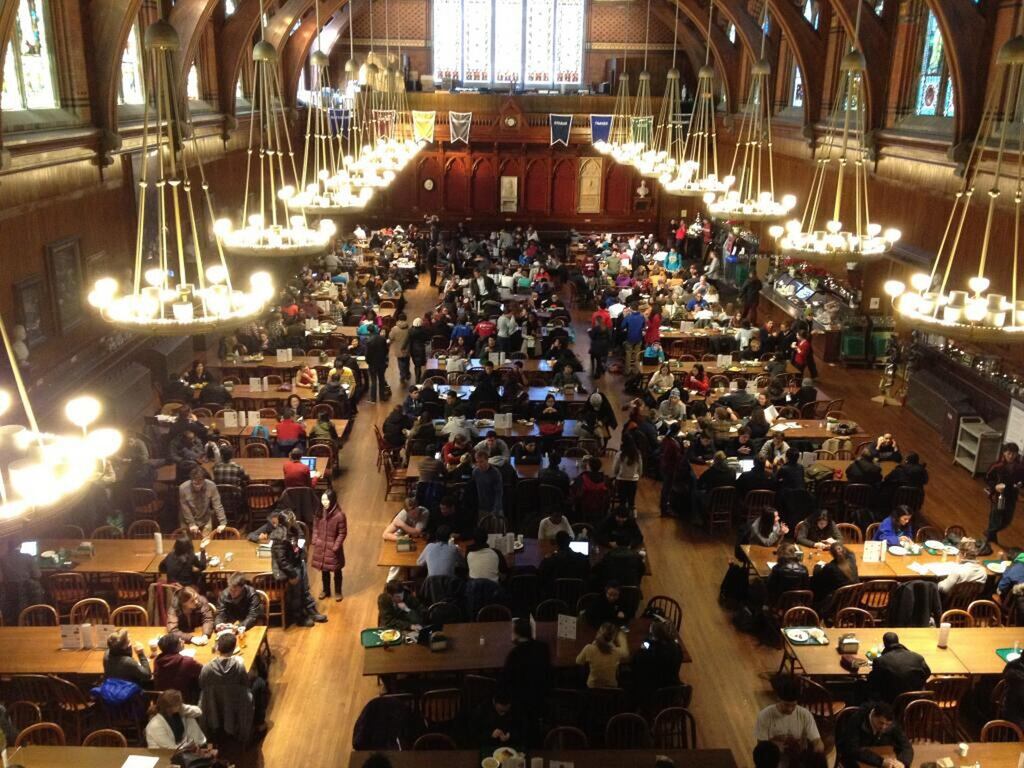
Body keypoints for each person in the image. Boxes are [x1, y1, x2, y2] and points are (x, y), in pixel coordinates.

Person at [199, 632, 268, 742]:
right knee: (260, 683)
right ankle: (260, 723)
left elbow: (202, 685)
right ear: (233, 649)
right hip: (236, 700)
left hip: (214, 701)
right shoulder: (238, 667)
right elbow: (246, 684)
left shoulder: (206, 668)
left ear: (218, 648)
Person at [754, 675, 824, 760]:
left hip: (798, 760)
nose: (790, 709)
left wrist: (818, 748)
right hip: (774, 760)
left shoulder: (805, 714)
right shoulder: (765, 715)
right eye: (786, 705)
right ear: (778, 699)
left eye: (793, 705)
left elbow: (817, 740)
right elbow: (761, 746)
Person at [835, 703, 913, 768]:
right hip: (853, 757)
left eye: (887, 724)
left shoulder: (891, 721)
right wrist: (882, 762)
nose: (884, 727)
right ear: (873, 715)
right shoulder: (857, 719)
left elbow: (906, 745)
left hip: (879, 754)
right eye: (881, 723)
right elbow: (853, 749)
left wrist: (902, 763)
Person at [498, 617, 552, 711]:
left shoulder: (514, 654)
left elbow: (505, 680)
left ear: (517, 634)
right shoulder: (543, 647)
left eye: (512, 632)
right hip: (542, 694)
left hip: (521, 700)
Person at [312, 470, 347, 601]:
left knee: (337, 570)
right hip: (321, 546)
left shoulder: (339, 516)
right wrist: (315, 539)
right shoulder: (319, 512)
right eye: (322, 500)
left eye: (326, 500)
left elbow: (342, 533)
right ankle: (326, 590)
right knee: (324, 570)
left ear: (332, 500)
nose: (324, 503)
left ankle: (338, 591)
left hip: (333, 548)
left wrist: (336, 546)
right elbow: (315, 526)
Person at [866, 632, 931, 701]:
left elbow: (873, 682)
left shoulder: (880, 661)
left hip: (892, 701)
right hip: (916, 700)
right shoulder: (918, 657)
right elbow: (928, 673)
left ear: (884, 644)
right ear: (897, 641)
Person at [982, 442, 1023, 553]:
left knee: (1007, 520)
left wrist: (1019, 485)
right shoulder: (997, 466)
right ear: (1004, 453)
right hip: (998, 496)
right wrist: (995, 486)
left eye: (1013, 454)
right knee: (995, 517)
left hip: (1011, 496)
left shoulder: (1020, 468)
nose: (1011, 456)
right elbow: (987, 478)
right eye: (1009, 453)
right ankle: (990, 542)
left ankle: (990, 533)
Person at [145, 689, 213, 754]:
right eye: (179, 703)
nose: (181, 703)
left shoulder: (178, 712)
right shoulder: (156, 725)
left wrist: (183, 708)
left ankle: (201, 745)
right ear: (169, 707)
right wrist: (189, 749)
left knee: (190, 717)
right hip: (164, 755)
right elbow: (170, 748)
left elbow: (199, 712)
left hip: (180, 748)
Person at [630, 620, 684, 699]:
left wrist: (644, 645)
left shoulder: (651, 653)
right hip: (671, 689)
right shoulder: (677, 648)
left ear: (656, 636)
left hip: (651, 691)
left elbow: (635, 662)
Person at [576, 621, 629, 688]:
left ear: (598, 633)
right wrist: (622, 637)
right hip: (611, 688)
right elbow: (626, 653)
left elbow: (578, 661)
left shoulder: (589, 648)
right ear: (613, 637)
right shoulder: (617, 652)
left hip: (592, 688)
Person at [153, 634, 203, 703]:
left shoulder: (157, 660)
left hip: (163, 700)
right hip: (181, 700)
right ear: (175, 647)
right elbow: (203, 671)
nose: (183, 641)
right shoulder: (187, 662)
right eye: (180, 641)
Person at [810, 543, 859, 613]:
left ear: (831, 554)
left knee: (816, 585)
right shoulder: (852, 559)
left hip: (835, 604)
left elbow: (817, 577)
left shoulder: (831, 567)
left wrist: (817, 566)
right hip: (853, 600)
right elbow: (850, 553)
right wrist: (839, 546)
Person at [179, 466, 227, 536]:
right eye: (195, 483)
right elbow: (185, 508)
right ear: (191, 480)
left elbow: (217, 505)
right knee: (188, 542)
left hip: (205, 518)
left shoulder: (211, 486)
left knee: (206, 540)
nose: (197, 486)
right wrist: (191, 523)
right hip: (187, 520)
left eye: (200, 483)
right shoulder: (183, 488)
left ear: (204, 480)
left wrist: (222, 522)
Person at [612, 435, 643, 512]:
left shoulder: (620, 454)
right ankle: (631, 513)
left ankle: (622, 513)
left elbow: (615, 468)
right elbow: (640, 468)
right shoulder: (637, 454)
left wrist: (615, 475)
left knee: (622, 500)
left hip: (621, 479)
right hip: (633, 479)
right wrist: (638, 475)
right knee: (631, 500)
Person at [471, 449, 504, 518]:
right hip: (481, 507)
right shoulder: (475, 472)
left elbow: (499, 493)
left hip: (494, 507)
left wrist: (496, 509)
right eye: (477, 462)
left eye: (481, 462)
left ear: (487, 460)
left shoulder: (495, 473)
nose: (479, 464)